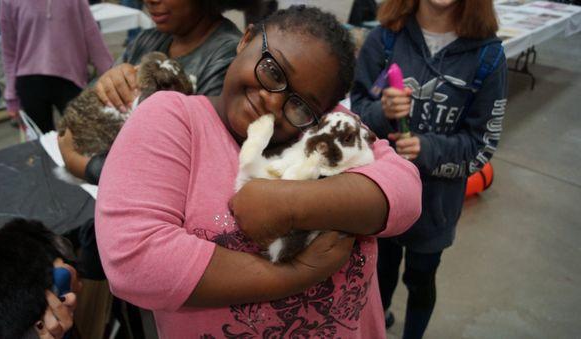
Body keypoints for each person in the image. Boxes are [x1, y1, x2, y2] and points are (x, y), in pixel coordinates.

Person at [95, 6, 422, 338]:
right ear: (246, 39)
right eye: (273, 71)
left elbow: (406, 192)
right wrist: (297, 273)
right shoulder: (174, 120)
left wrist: (291, 204)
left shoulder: (327, 130)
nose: (273, 102)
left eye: (300, 104)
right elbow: (134, 261)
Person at [350, 0, 507, 338]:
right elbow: (355, 114)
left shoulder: (487, 57)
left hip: (436, 207)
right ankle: (381, 319)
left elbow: (482, 145)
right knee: (378, 272)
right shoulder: (384, 40)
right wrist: (383, 111)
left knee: (422, 277)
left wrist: (428, 149)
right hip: (382, 197)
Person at [59, 0, 249, 184]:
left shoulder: (226, 57)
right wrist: (107, 82)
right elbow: (93, 98)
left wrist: (85, 167)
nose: (150, 1)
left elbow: (185, 166)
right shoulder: (148, 39)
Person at [0, 0, 113, 133]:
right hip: (29, 82)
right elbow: (9, 50)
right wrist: (11, 95)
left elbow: (93, 37)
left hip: (71, 79)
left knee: (84, 137)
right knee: (41, 142)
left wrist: (111, 77)